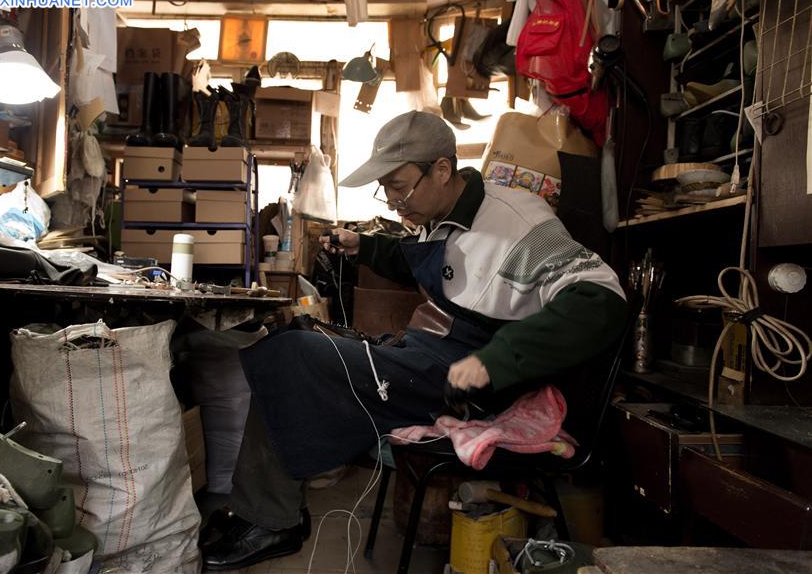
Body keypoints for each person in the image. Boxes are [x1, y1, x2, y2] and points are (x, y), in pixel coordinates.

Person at [202, 110, 628, 571]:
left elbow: (602, 298)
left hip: (473, 379)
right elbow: (436, 264)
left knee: (291, 355)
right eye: (386, 190)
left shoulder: (520, 224)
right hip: (431, 351)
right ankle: (261, 511)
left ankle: (274, 522)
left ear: (442, 170)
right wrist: (364, 247)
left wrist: (498, 359)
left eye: (400, 187)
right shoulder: (442, 210)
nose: (394, 202)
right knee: (292, 340)